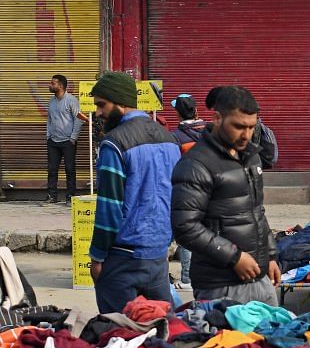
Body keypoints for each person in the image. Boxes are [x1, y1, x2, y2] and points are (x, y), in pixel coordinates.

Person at [171, 86, 280, 304]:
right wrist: (234, 257)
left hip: (260, 277)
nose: (246, 135)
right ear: (217, 118)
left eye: (251, 127)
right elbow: (185, 226)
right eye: (239, 127)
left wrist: (270, 255)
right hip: (220, 285)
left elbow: (256, 212)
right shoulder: (196, 164)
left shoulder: (251, 157)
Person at [88, 72, 181, 314]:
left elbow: (109, 207)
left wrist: (97, 257)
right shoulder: (169, 139)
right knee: (162, 330)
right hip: (158, 254)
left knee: (119, 337)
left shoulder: (114, 144)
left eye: (101, 104)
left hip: (123, 258)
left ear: (119, 101)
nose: (98, 113)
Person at [170, 93, 206, 291]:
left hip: (187, 191)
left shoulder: (176, 137)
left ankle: (187, 279)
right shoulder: (211, 130)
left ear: (177, 113)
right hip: (211, 189)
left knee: (187, 237)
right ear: (196, 110)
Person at [46, 74, 82, 205]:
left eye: (53, 83)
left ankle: (70, 197)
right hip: (53, 141)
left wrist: (73, 138)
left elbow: (79, 119)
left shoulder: (71, 100)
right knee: (52, 169)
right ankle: (52, 196)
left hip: (68, 141)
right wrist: (48, 136)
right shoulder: (52, 101)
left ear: (60, 86)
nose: (50, 85)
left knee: (69, 169)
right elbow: (49, 119)